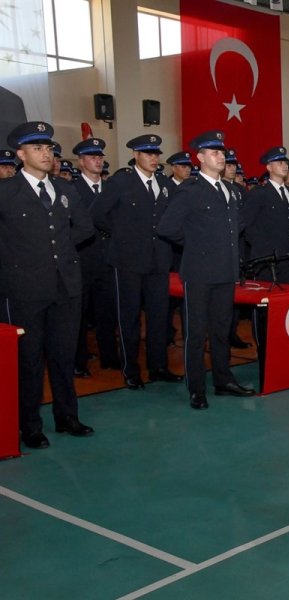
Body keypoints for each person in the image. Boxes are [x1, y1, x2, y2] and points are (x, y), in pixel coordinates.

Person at [0, 121, 95, 449]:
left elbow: (85, 227)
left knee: (62, 356)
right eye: (37, 148)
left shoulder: (65, 189)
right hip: (25, 288)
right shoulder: (6, 192)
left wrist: (60, 248)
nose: (46, 153)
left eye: (49, 147)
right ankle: (30, 426)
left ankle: (67, 416)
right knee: (29, 360)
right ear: (20, 154)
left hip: (66, 286)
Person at [157, 130, 256, 410]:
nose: (220, 156)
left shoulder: (230, 190)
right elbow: (167, 227)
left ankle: (223, 380)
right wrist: (199, 246)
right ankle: (197, 388)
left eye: (222, 152)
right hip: (199, 273)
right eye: (214, 152)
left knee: (222, 329)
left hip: (225, 272)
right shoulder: (190, 189)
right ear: (199, 157)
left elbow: (236, 226)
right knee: (196, 333)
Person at [91, 134, 182, 390]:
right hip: (128, 260)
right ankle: (131, 370)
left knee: (158, 316)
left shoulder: (165, 184)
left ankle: (159, 367)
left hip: (159, 260)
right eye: (148, 153)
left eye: (156, 154)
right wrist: (121, 235)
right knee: (129, 317)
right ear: (135, 155)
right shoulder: (122, 182)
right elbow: (97, 214)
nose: (154, 158)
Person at [71, 137, 120, 375]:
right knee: (78, 315)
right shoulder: (71, 190)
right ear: (81, 162)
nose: (98, 161)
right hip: (82, 260)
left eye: (100, 157)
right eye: (92, 157)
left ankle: (109, 356)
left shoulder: (111, 189)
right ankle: (78, 362)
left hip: (108, 258)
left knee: (107, 312)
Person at [240, 146, 289, 284]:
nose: (285, 166)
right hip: (267, 260)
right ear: (269, 167)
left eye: (286, 163)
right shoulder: (259, 193)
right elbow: (246, 223)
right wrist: (262, 246)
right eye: (280, 163)